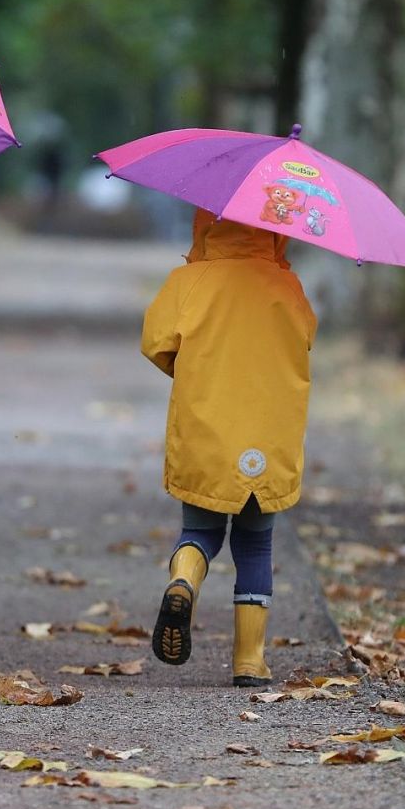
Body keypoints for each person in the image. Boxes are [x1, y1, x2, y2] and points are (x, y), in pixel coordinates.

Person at [140, 209, 318, 686]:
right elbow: (306, 339)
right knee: (255, 544)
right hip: (269, 436)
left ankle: (184, 580)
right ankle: (249, 660)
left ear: (206, 223)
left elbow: (155, 343)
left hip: (207, 430)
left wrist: (190, 371)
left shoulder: (189, 282)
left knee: (200, 529)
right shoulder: (288, 287)